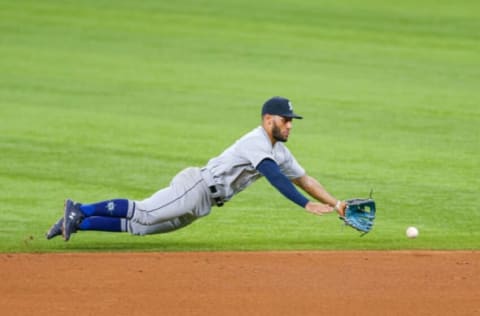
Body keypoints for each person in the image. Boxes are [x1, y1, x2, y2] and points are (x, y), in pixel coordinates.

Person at [46, 96, 346, 241]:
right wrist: (304, 205)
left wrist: (335, 204)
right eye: (285, 120)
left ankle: (76, 223)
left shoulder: (280, 151)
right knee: (146, 211)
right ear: (269, 120)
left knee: (141, 227)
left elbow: (304, 178)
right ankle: (80, 208)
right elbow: (274, 177)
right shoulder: (256, 142)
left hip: (207, 201)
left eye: (291, 120)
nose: (290, 125)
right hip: (198, 185)